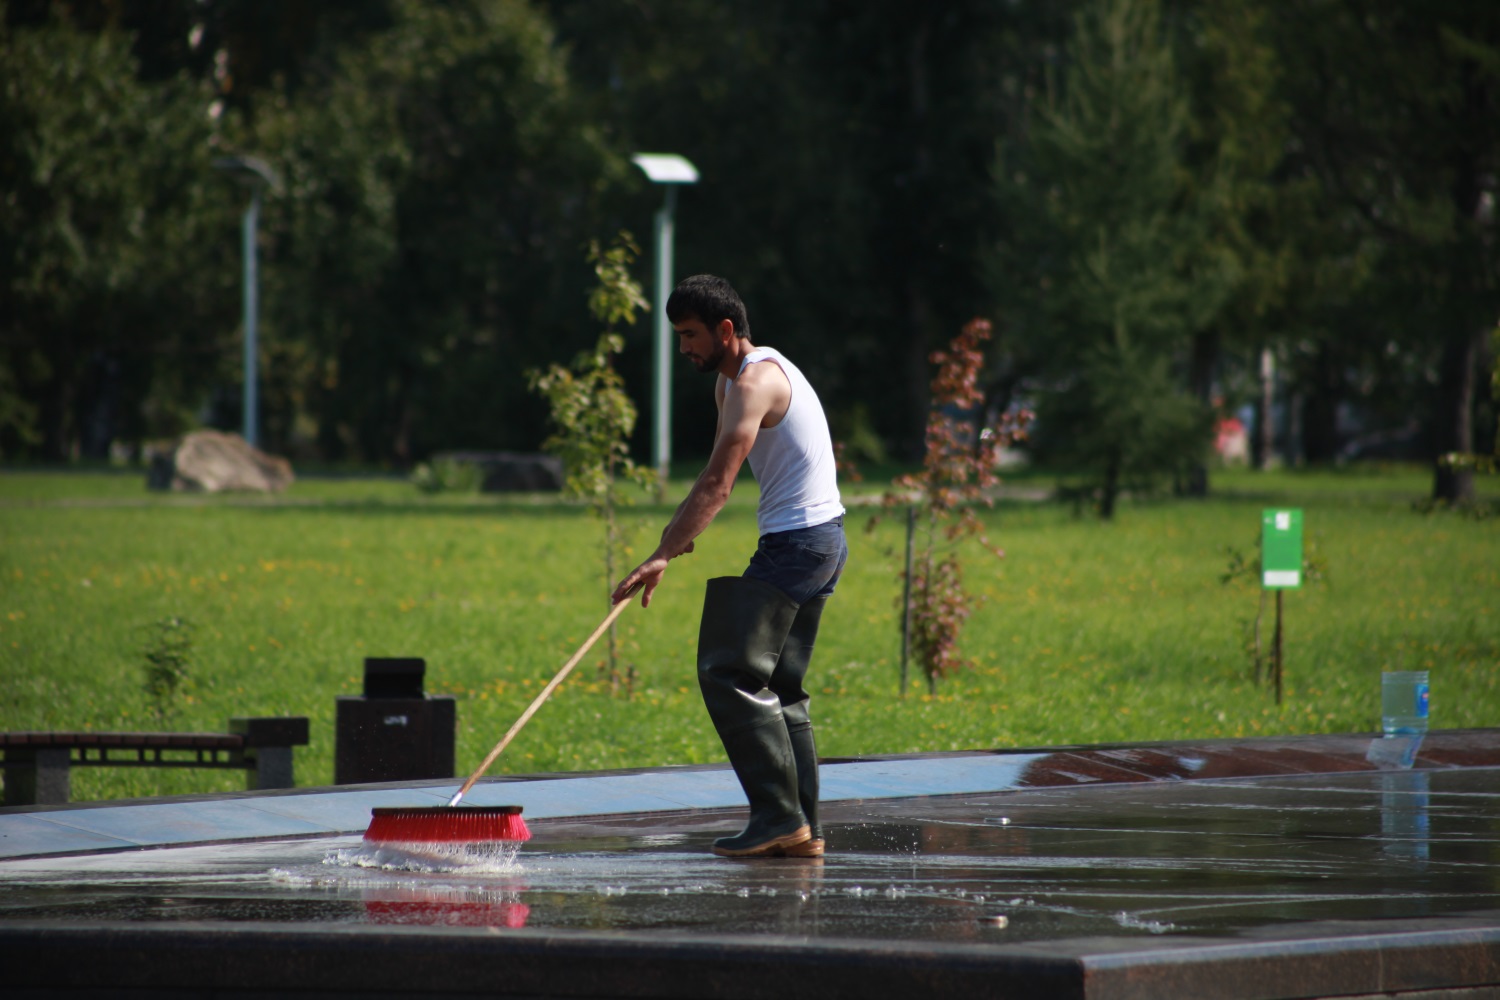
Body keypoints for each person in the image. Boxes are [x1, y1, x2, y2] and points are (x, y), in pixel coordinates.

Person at [612, 274, 846, 858]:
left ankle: (778, 818)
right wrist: (677, 539)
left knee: (729, 669)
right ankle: (802, 831)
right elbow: (717, 475)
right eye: (677, 336)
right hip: (820, 541)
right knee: (780, 687)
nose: (684, 348)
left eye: (690, 335)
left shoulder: (755, 382)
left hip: (800, 545)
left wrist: (663, 552)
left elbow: (718, 484)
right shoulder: (733, 383)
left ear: (724, 329)